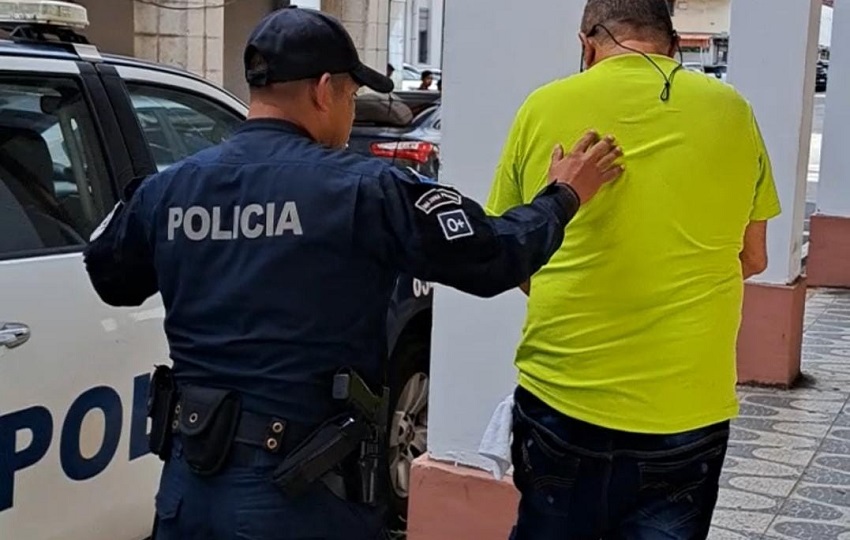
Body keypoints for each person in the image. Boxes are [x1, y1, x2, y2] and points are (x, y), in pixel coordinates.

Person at [82, 6, 624, 540]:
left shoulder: (170, 189)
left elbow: (111, 274)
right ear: (323, 90)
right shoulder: (365, 190)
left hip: (190, 492)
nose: (349, 112)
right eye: (350, 95)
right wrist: (564, 194)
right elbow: (494, 256)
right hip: (303, 496)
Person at [485, 0, 781, 538]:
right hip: (686, 405)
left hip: (562, 393)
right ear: (673, 45)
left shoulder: (543, 106)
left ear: (587, 43)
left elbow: (512, 253)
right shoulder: (732, 110)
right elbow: (754, 257)